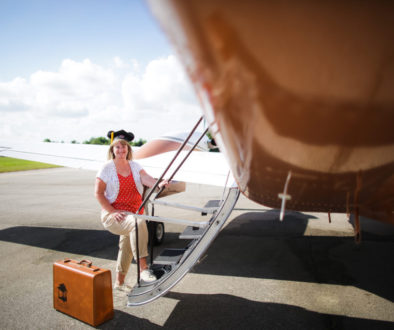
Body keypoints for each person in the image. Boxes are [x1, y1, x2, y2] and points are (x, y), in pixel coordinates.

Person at [95, 130, 168, 290]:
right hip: (114, 216)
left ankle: (119, 283)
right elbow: (98, 193)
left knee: (126, 248)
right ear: (112, 150)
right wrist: (112, 211)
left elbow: (146, 179)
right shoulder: (106, 168)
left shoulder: (135, 166)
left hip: (132, 214)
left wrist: (158, 183)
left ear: (128, 149)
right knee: (138, 223)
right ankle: (143, 269)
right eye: (118, 147)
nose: (121, 150)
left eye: (124, 147)